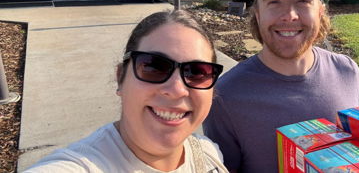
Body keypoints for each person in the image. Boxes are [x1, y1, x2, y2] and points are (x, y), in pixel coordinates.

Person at [203, 0, 359, 173]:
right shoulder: (226, 96)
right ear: (257, 13)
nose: (289, 15)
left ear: (320, 11)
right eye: (274, 2)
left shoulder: (348, 72)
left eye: (303, 1)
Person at [25, 10, 229, 173]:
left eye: (197, 72)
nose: (176, 89)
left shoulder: (208, 152)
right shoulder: (81, 165)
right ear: (121, 77)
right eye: (153, 67)